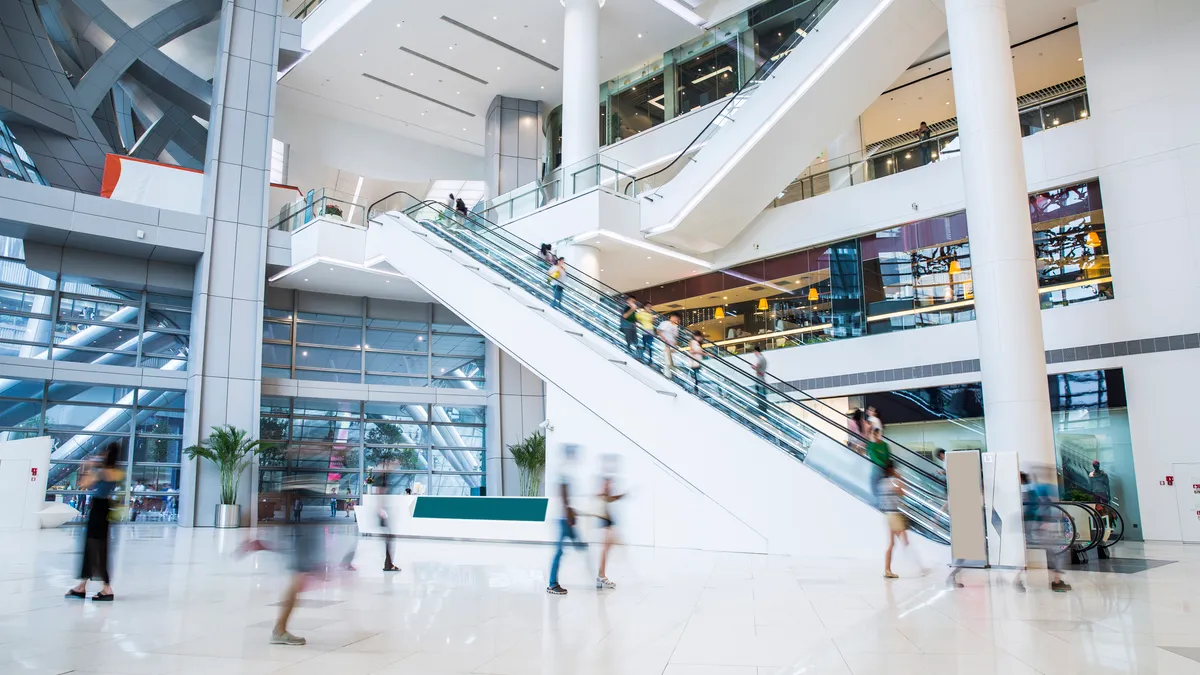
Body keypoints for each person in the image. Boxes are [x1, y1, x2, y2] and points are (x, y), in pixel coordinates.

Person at [66, 442, 123, 602]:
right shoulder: (117, 472)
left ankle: (105, 588)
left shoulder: (101, 471)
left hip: (97, 509)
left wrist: (88, 466)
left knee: (93, 547)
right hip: (105, 509)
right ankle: (83, 586)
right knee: (97, 548)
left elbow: (83, 484)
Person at [1017, 472, 1072, 593]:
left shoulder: (1027, 490)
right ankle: (1057, 581)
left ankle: (1057, 580)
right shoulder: (1029, 490)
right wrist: (1043, 522)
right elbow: (1036, 507)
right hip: (1034, 527)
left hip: (1030, 527)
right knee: (1056, 550)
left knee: (1053, 551)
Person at [547, 444, 587, 595]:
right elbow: (563, 494)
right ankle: (552, 583)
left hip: (565, 516)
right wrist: (568, 513)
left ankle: (596, 575)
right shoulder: (564, 470)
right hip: (563, 518)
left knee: (580, 547)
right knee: (560, 551)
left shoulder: (567, 469)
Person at [878, 462, 924, 578]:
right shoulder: (894, 482)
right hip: (895, 514)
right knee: (905, 541)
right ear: (892, 470)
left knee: (892, 544)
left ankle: (887, 570)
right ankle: (918, 568)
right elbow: (903, 492)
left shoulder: (882, 483)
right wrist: (900, 479)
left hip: (889, 514)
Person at [596, 455, 625, 590]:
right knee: (606, 546)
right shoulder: (603, 485)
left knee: (608, 546)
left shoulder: (606, 483)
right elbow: (605, 497)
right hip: (605, 519)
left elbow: (608, 498)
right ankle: (601, 576)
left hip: (608, 519)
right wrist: (620, 496)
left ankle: (601, 575)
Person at [657, 313, 681, 379]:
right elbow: (659, 332)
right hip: (665, 344)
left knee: (671, 362)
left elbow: (675, 338)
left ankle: (673, 375)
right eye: (675, 317)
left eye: (677, 318)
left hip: (671, 346)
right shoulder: (665, 323)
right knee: (667, 361)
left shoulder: (675, 327)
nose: (676, 319)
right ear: (671, 317)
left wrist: (675, 347)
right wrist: (665, 341)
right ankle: (667, 376)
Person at [752, 346, 768, 413]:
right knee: (762, 393)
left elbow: (757, 367)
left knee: (759, 393)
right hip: (762, 379)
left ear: (756, 351)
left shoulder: (760, 358)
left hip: (759, 379)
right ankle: (763, 407)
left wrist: (753, 366)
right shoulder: (763, 358)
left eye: (754, 352)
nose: (754, 354)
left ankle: (761, 407)